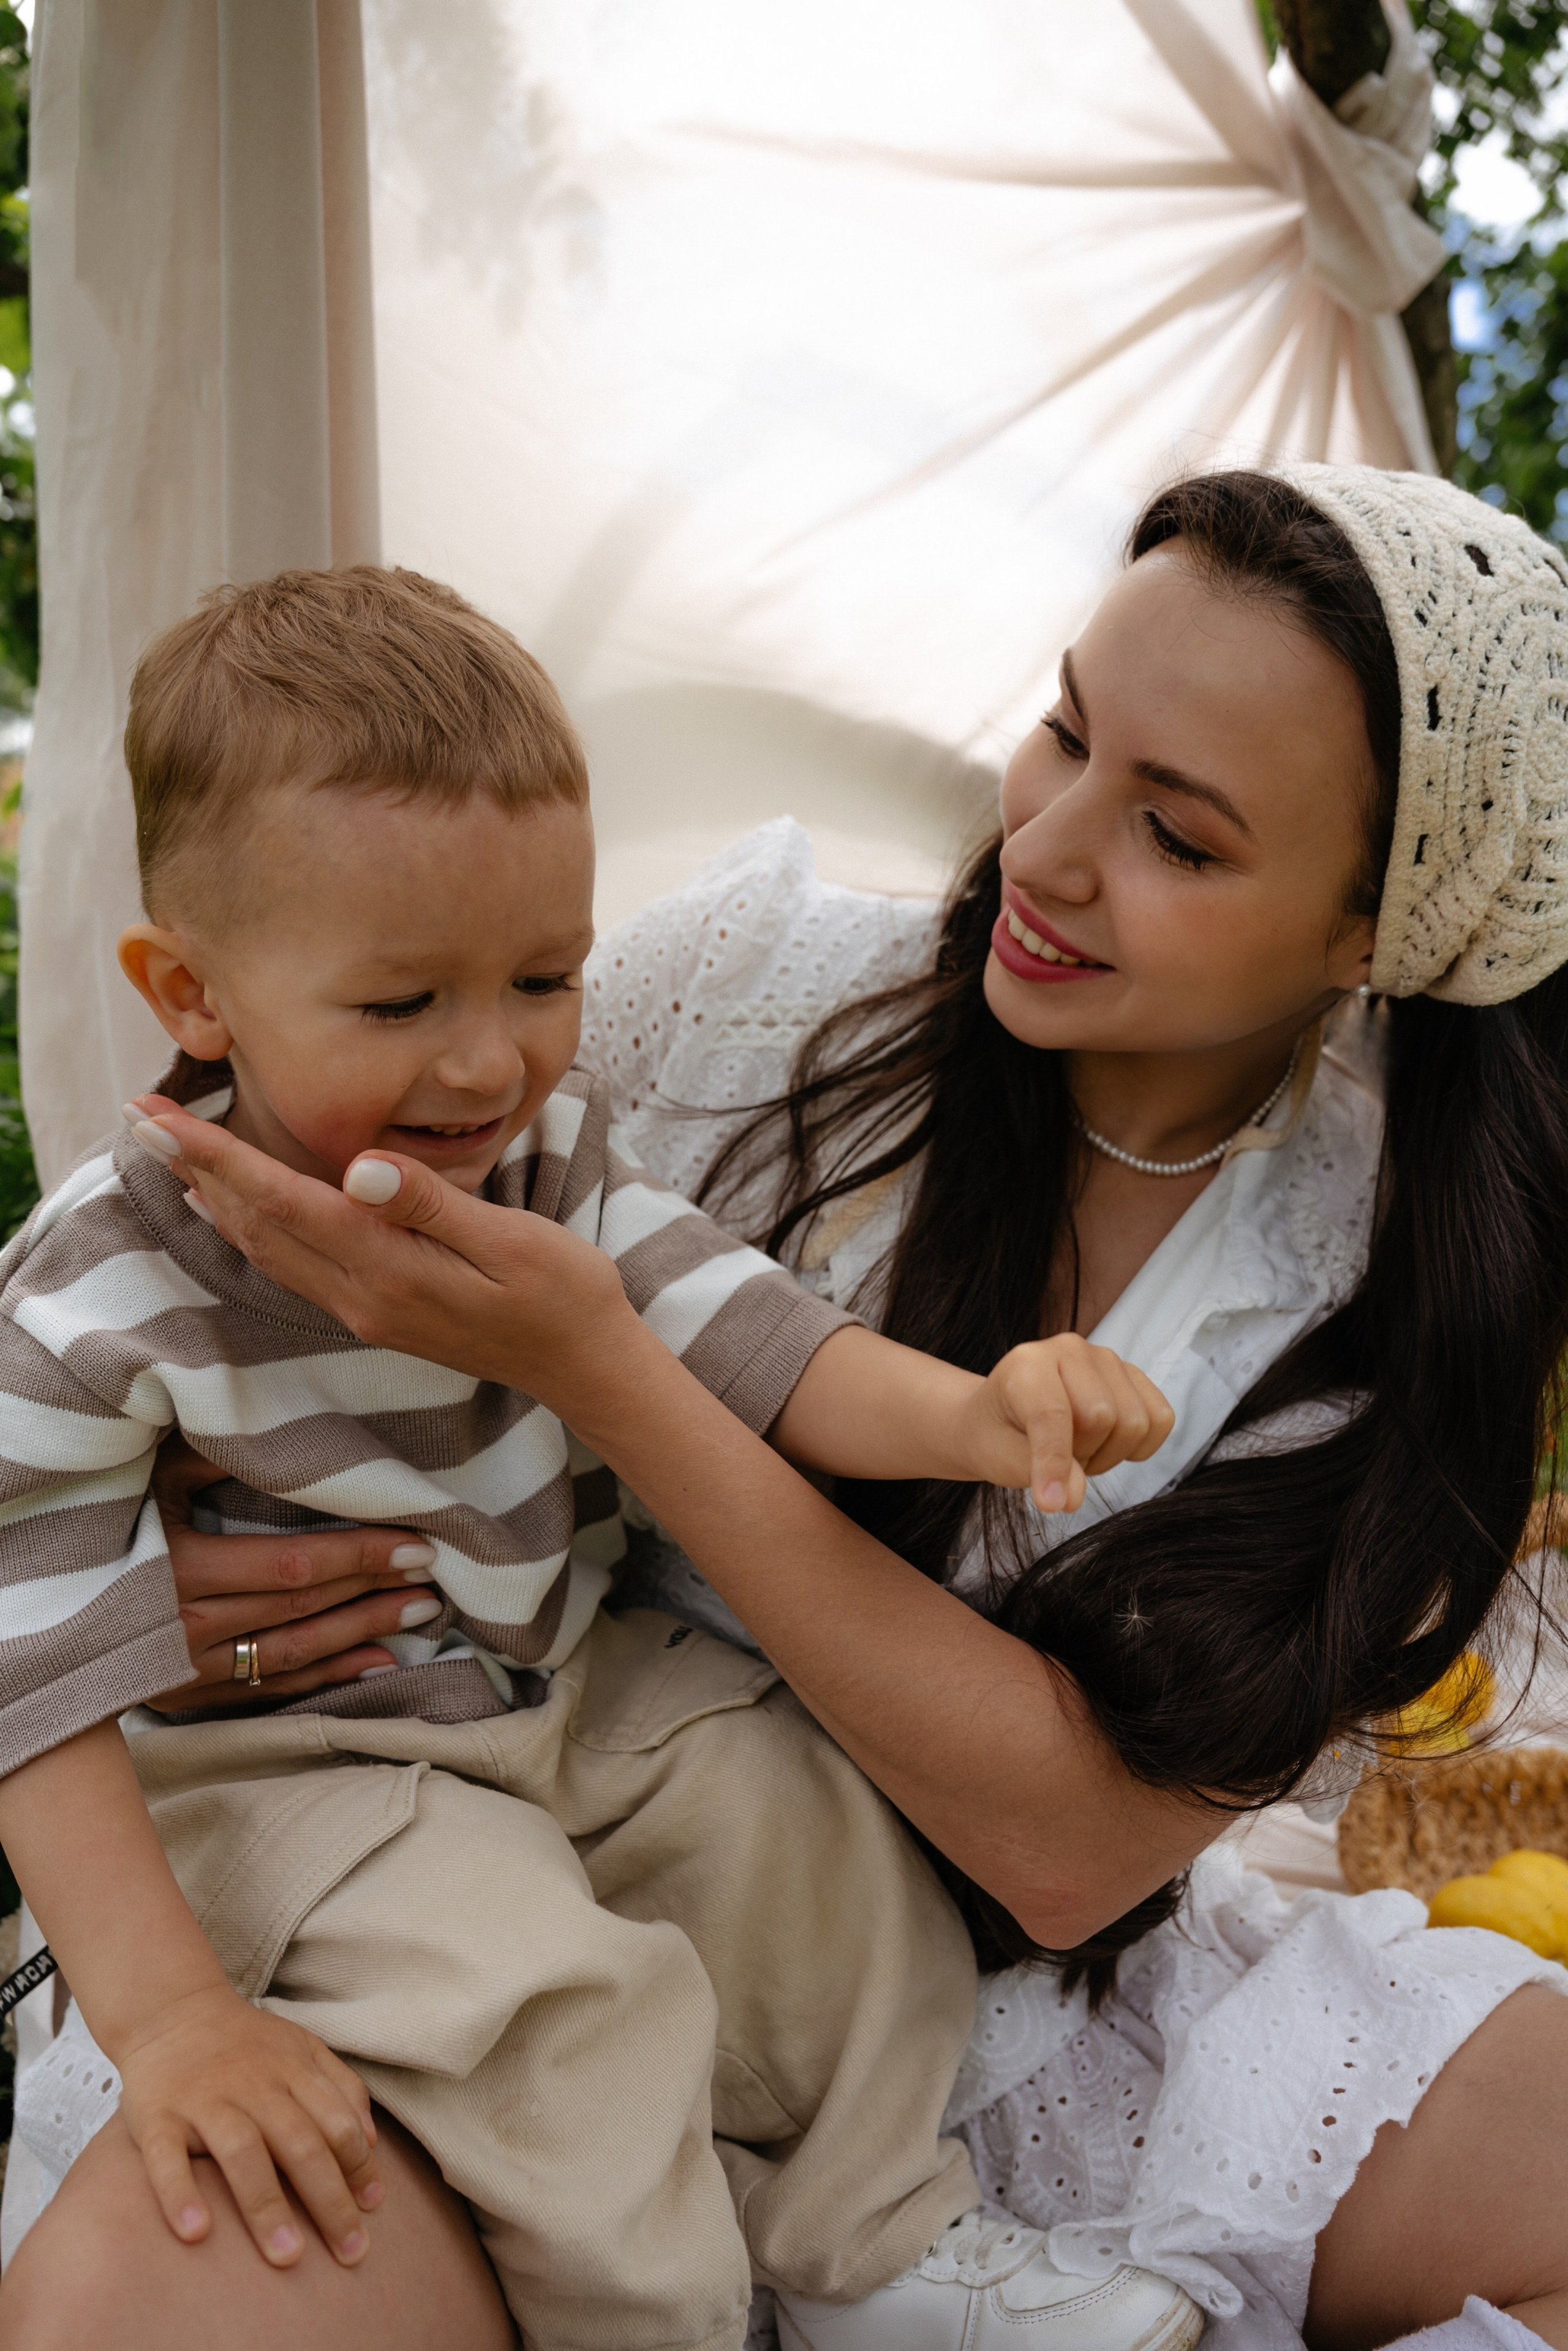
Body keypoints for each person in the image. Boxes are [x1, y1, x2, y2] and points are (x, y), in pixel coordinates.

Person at [12, 461, 1568, 2351]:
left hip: (920, 1952)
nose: (1049, 852)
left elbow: (1069, 1858)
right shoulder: (744, 997)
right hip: (403, 1847)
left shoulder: (1385, 1281)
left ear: (1364, 934)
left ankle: (885, 2252)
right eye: (1066, 733)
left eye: (1177, 833)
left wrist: (612, 1372)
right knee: (217, 2255)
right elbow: (91, 1473)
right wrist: (165, 1583)